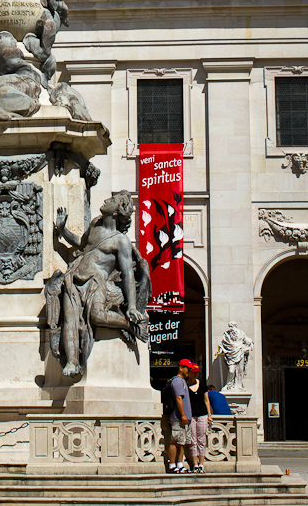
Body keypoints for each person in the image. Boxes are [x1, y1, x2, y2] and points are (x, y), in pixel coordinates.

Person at [45, 191, 151, 376]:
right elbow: (81, 243)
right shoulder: (95, 224)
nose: (105, 200)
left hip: (97, 281)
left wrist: (132, 307)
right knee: (69, 318)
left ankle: (128, 325)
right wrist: (63, 230)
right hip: (75, 276)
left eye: (111, 200)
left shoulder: (121, 241)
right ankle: (72, 362)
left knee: (97, 316)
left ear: (118, 210)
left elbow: (128, 275)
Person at [166, 358, 195, 474]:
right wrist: (183, 414)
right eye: (187, 368)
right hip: (178, 418)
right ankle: (172, 465)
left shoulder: (183, 381)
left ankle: (180, 464)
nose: (189, 371)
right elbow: (178, 398)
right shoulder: (177, 381)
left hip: (185, 418)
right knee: (175, 441)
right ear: (181, 368)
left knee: (182, 442)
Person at [188, 365, 212, 473]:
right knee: (193, 440)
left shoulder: (202, 384)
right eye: (194, 372)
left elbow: (206, 400)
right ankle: (195, 464)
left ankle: (201, 464)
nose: (196, 374)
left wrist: (209, 415)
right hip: (191, 415)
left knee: (202, 439)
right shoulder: (185, 384)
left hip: (202, 415)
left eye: (197, 372)